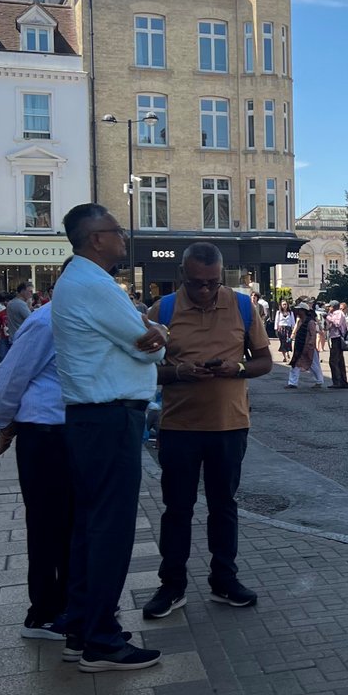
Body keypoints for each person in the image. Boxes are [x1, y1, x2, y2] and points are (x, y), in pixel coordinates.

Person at [51, 203, 167, 671]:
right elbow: (148, 343)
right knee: (110, 530)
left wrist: (150, 336)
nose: (123, 237)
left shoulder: (76, 282)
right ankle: (102, 639)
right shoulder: (95, 285)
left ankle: (81, 628)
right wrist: (156, 334)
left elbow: (143, 340)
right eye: (116, 231)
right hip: (109, 416)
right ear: (96, 238)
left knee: (88, 527)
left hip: (91, 418)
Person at [141, 243, 272, 619]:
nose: (205, 291)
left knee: (224, 507)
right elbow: (142, 369)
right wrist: (177, 372)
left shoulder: (243, 306)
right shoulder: (161, 311)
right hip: (179, 427)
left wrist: (239, 369)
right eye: (197, 284)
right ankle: (172, 585)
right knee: (177, 509)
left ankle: (224, 580)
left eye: (213, 284)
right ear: (183, 276)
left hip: (229, 426)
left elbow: (264, 361)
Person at [0, 296, 73, 641]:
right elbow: (11, 375)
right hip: (46, 433)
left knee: (71, 524)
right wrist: (5, 423)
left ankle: (68, 605)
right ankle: (43, 613)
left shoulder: (81, 315)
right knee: (46, 524)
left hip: (70, 433)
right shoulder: (46, 321)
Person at [286, 303, 326, 389]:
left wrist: (311, 344)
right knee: (295, 363)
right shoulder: (300, 320)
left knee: (313, 364)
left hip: (308, 347)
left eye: (299, 310)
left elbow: (313, 334)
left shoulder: (310, 322)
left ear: (303, 311)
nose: (297, 311)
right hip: (300, 345)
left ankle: (319, 381)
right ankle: (292, 382)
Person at [325, 299, 348, 388]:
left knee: (333, 361)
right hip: (334, 338)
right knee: (339, 361)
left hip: (338, 338)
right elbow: (329, 326)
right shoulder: (332, 314)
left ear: (334, 307)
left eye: (330, 306)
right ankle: (342, 381)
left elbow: (337, 324)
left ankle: (337, 382)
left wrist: (328, 317)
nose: (328, 308)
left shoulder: (339, 313)